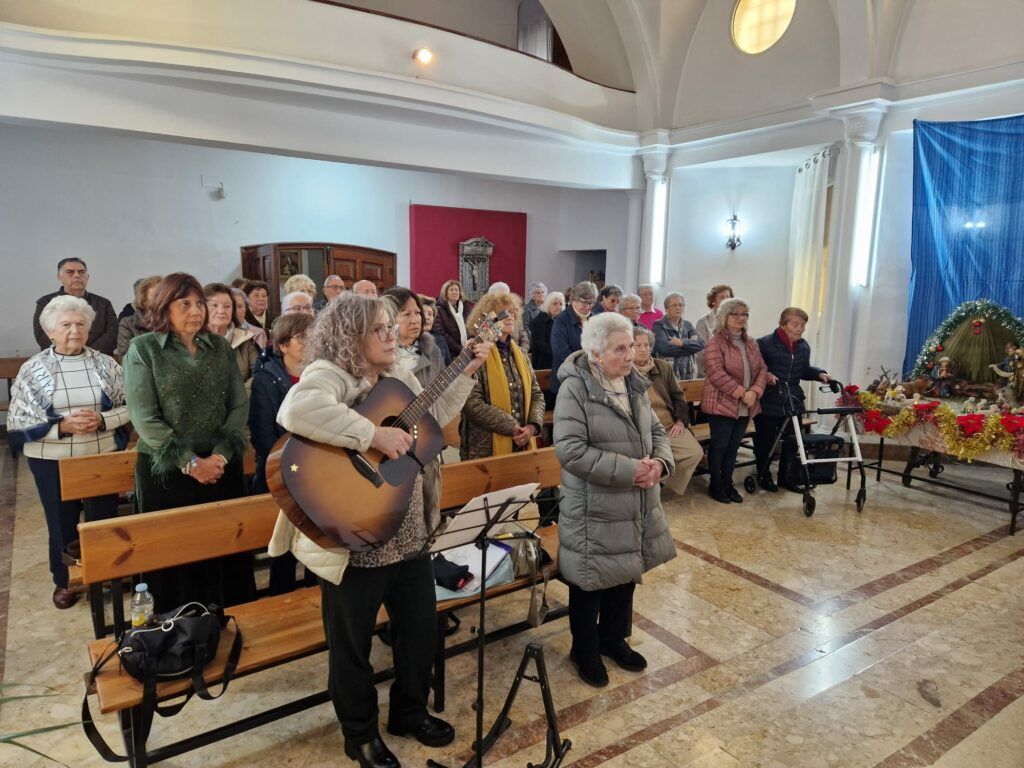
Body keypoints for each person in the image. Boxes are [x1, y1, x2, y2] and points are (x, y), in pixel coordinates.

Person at [267, 294, 493, 768]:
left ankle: (409, 712)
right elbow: (297, 410)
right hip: (352, 539)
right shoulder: (328, 373)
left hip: (409, 535)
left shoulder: (398, 377)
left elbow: (432, 418)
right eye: (380, 329)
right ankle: (360, 734)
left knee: (419, 633)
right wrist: (373, 435)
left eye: (393, 327)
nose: (393, 336)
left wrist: (466, 371)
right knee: (352, 648)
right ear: (350, 336)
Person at [554, 312, 675, 687]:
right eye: (620, 349)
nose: (630, 355)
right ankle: (584, 650)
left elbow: (657, 431)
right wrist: (631, 470)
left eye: (631, 347)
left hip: (634, 500)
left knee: (624, 572)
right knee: (590, 580)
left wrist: (660, 463)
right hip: (594, 505)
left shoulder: (633, 382)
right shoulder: (575, 389)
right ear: (595, 353)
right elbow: (571, 451)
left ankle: (613, 639)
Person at [123, 273, 254, 611]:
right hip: (168, 471)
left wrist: (220, 457)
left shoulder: (219, 347)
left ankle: (230, 618)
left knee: (225, 551)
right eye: (185, 304)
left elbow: (238, 404)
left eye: (199, 303)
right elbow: (144, 417)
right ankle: (177, 628)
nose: (196, 311)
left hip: (221, 465)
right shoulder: (144, 349)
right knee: (174, 558)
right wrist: (191, 463)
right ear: (163, 308)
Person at [8, 295, 130, 609]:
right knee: (61, 521)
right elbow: (19, 419)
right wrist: (61, 426)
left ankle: (106, 575)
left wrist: (102, 419)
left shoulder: (107, 364)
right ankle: (65, 580)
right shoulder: (33, 369)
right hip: (51, 460)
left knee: (102, 520)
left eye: (80, 324)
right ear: (50, 331)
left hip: (99, 456)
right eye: (66, 325)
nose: (74, 330)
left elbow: (131, 406)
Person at [248, 312, 316, 594]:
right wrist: (293, 467)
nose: (309, 341)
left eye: (312, 335)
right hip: (279, 475)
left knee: (318, 545)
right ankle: (283, 597)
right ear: (283, 344)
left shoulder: (320, 374)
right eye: (301, 337)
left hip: (319, 473)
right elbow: (263, 435)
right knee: (283, 550)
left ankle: (316, 594)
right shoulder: (266, 379)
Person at [461, 292, 544, 460]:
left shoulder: (520, 353)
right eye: (502, 312)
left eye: (512, 312)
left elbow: (536, 394)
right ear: (487, 317)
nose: (509, 316)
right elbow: (472, 403)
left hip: (522, 440)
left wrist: (532, 426)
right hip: (485, 446)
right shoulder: (475, 351)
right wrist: (511, 427)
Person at [754, 307, 830, 492]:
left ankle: (786, 477)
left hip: (792, 400)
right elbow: (754, 369)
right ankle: (764, 476)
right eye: (795, 324)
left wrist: (819, 374)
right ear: (783, 324)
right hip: (769, 399)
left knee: (792, 441)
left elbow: (803, 370)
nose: (800, 329)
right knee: (765, 441)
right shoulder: (764, 344)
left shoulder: (803, 346)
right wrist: (767, 375)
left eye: (803, 325)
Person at [701, 298, 767, 504]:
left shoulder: (751, 342)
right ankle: (716, 484)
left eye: (744, 314)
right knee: (720, 445)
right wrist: (742, 393)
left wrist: (755, 391)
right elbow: (716, 373)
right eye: (735, 314)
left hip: (745, 405)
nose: (740, 318)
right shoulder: (715, 342)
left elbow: (762, 369)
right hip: (721, 403)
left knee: (733, 446)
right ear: (724, 316)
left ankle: (727, 483)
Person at [632, 327, 703, 498]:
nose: (643, 349)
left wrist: (680, 421)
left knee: (695, 453)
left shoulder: (662, 367)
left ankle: (661, 483)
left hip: (669, 425)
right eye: (637, 345)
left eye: (646, 345)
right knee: (646, 460)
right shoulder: (624, 371)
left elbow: (679, 396)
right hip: (642, 430)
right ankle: (652, 486)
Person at [33, 258, 118, 355]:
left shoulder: (103, 303)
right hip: (59, 359)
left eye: (81, 272)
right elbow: (42, 333)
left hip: (98, 358)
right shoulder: (45, 303)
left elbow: (114, 333)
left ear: (87, 277)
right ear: (59, 277)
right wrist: (69, 353)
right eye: (70, 272)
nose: (77, 275)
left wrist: (87, 353)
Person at [383, 287, 445, 388]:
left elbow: (444, 390)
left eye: (418, 313)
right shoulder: (379, 356)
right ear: (388, 319)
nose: (415, 320)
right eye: (407, 314)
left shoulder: (433, 351)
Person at [205, 282, 260, 389]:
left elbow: (258, 375)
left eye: (227, 306)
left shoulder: (245, 339)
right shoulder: (193, 340)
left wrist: (238, 396)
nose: (221, 311)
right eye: (214, 305)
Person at [549, 281, 597, 395]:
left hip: (592, 378)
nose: (588, 306)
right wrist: (586, 366)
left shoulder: (595, 320)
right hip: (567, 378)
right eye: (584, 302)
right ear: (573, 300)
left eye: (591, 303)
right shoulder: (561, 320)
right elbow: (561, 352)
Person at [653, 292, 704, 380]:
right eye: (674, 305)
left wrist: (682, 342)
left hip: (688, 372)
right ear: (666, 309)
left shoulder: (688, 325)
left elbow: (701, 344)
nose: (678, 308)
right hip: (668, 373)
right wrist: (691, 348)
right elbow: (664, 349)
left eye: (681, 305)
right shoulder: (659, 325)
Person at [115, 275, 161, 357]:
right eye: (155, 296)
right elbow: (127, 357)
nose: (161, 300)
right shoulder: (128, 323)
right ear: (143, 300)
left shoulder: (174, 321)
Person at [694, 284, 734, 377]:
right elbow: (701, 351)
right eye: (722, 297)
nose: (725, 300)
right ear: (713, 301)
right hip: (709, 372)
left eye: (728, 297)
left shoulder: (735, 321)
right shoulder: (703, 322)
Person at [434, 279, 474, 358]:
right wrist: (460, 348)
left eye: (456, 290)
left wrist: (470, 342)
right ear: (445, 293)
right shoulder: (439, 309)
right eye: (451, 290)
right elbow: (441, 332)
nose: (455, 292)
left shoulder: (467, 307)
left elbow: (472, 326)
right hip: (450, 352)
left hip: (468, 349)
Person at [529, 290, 564, 372]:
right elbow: (540, 345)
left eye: (561, 304)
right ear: (548, 305)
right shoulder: (538, 321)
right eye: (555, 304)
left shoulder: (562, 321)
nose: (558, 306)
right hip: (543, 363)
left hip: (560, 361)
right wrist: (559, 352)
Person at [419, 296, 452, 366]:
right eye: (422, 313)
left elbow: (449, 365)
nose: (427, 317)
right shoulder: (408, 342)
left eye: (430, 314)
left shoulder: (440, 339)